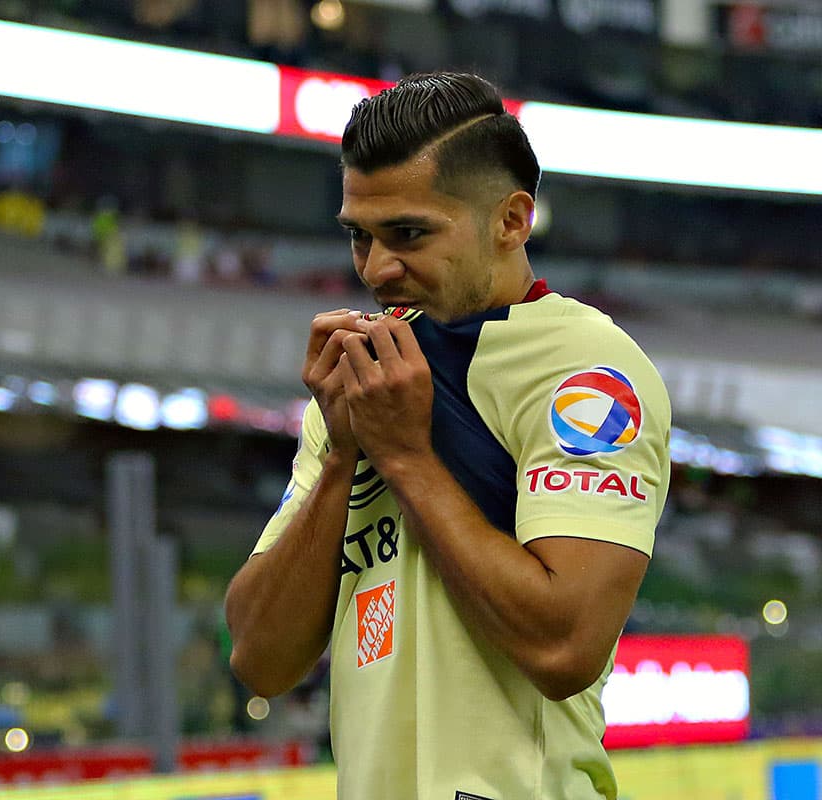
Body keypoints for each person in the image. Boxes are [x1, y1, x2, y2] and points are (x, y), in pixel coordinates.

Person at [224, 72, 671, 800]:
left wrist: (403, 454)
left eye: (408, 234)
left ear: (512, 222)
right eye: (357, 237)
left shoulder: (589, 371)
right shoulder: (364, 379)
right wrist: (343, 456)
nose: (375, 269)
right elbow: (259, 657)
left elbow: (565, 647)